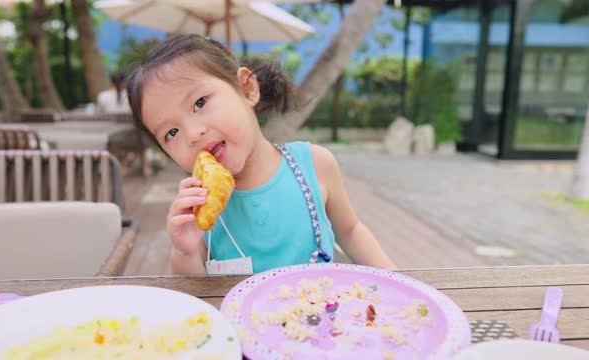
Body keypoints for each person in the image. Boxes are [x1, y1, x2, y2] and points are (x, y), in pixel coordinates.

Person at [127, 34, 396, 275]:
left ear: (247, 88)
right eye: (171, 133)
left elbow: (350, 231)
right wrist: (184, 251)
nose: (193, 134)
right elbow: (195, 290)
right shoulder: (198, 207)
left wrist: (400, 282)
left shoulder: (314, 164)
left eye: (199, 103)